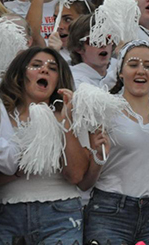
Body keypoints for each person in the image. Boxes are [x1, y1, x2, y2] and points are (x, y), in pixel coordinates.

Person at [82, 40, 149, 245]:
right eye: (133, 64)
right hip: (109, 211)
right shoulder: (102, 112)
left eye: (148, 66)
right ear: (120, 72)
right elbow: (84, 182)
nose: (141, 71)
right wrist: (98, 156)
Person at [0, 47, 89, 244]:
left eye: (53, 68)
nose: (44, 70)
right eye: (36, 65)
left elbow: (75, 175)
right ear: (20, 75)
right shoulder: (3, 114)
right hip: (8, 215)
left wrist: (65, 122)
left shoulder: (70, 113)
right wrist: (21, 167)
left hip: (60, 214)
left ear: (58, 80)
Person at [66, 14, 116, 88]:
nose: (103, 45)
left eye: (107, 39)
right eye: (95, 40)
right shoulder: (74, 78)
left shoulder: (119, 67)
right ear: (78, 48)